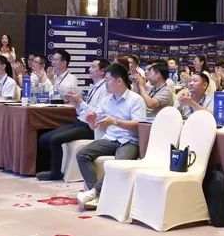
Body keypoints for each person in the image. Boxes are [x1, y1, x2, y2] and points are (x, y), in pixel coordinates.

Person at [75, 63, 148, 211]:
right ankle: (96, 194)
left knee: (118, 163)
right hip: (111, 139)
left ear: (119, 81)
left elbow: (139, 125)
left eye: (108, 80)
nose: (105, 83)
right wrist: (91, 121)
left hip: (130, 141)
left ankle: (94, 193)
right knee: (82, 154)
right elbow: (95, 126)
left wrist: (115, 122)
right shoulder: (106, 100)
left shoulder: (136, 99)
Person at [36, 59, 111, 181]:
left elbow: (97, 113)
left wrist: (80, 102)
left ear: (102, 71)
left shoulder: (105, 90)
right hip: (82, 121)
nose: (89, 69)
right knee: (44, 138)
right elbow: (83, 111)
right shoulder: (94, 87)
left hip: (92, 127)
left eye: (93, 67)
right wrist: (76, 103)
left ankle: (55, 173)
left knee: (55, 139)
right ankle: (49, 167)